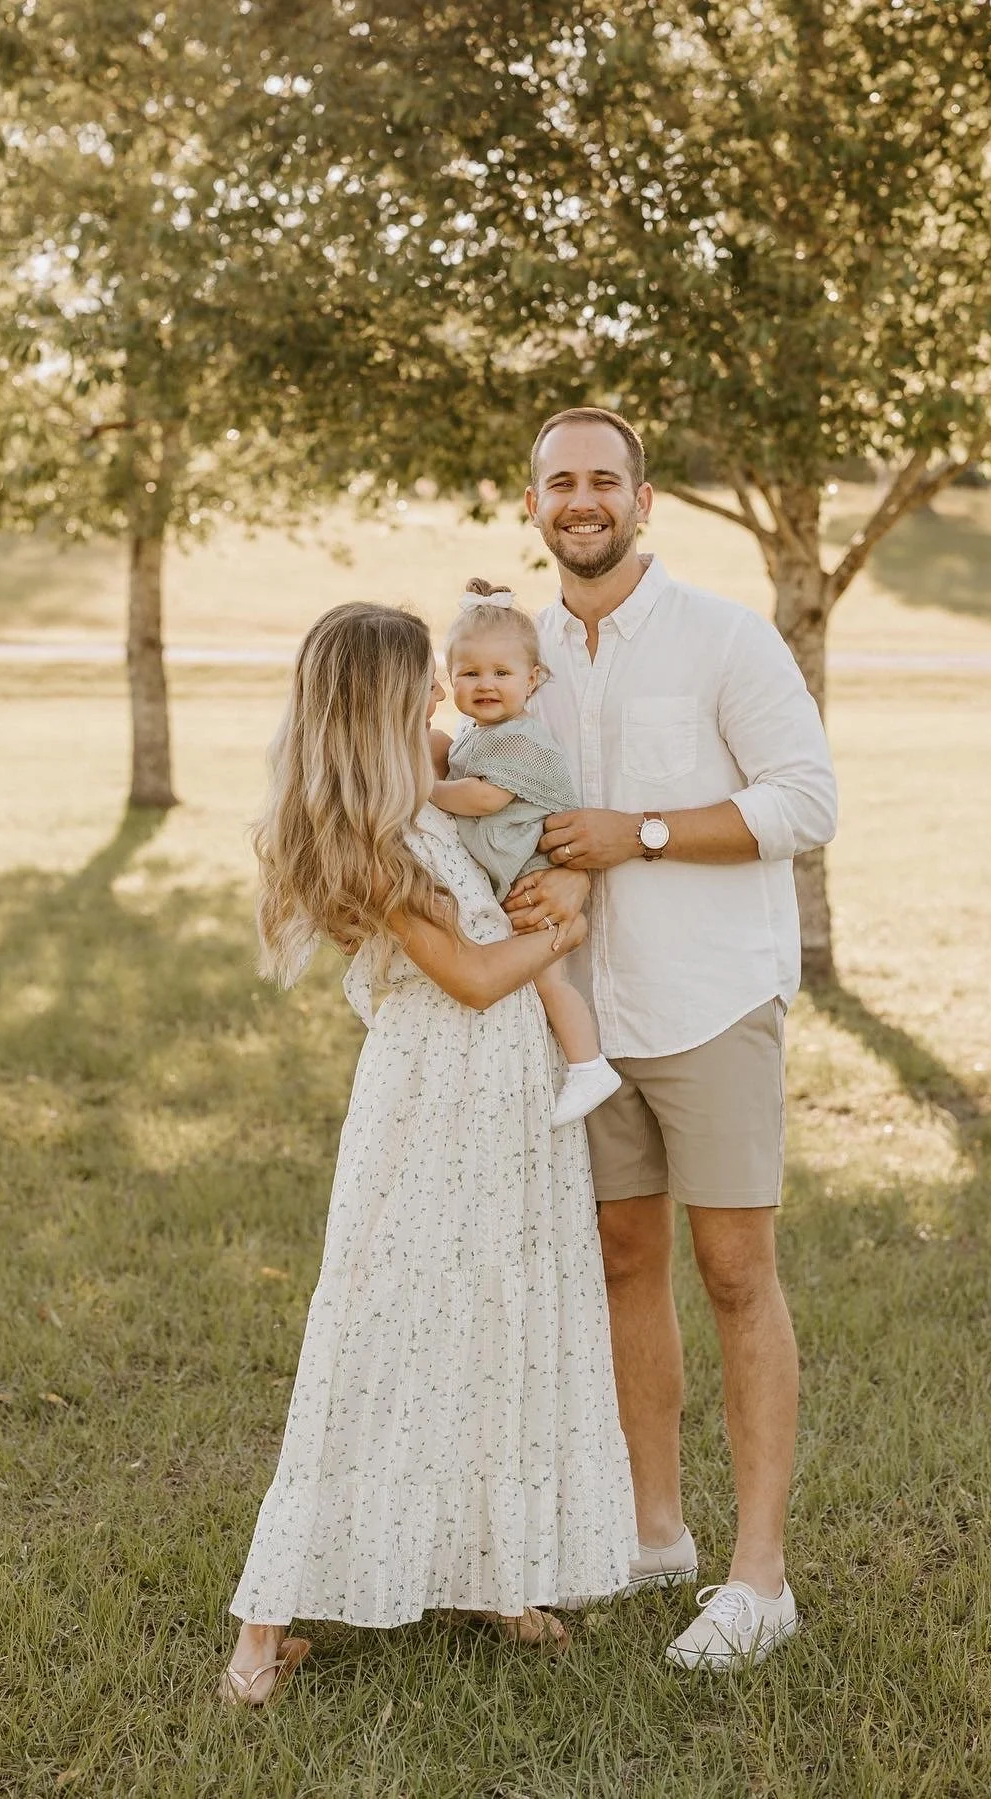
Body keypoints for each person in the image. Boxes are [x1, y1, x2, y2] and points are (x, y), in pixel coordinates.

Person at [219, 602, 636, 1706]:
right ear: (380, 702)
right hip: (430, 1101)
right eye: (421, 685)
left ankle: (495, 1571)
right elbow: (476, 977)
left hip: (507, 1095)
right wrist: (560, 934)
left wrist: (567, 880)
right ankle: (260, 1632)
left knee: (497, 1316)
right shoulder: (372, 837)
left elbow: (520, 813)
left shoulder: (432, 781)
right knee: (379, 1325)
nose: (440, 698)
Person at [503, 407, 838, 1671]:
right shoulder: (517, 651)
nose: (582, 500)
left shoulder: (724, 637)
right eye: (561, 483)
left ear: (643, 501)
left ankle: (761, 1579)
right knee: (620, 1257)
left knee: (736, 1268)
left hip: (709, 1001)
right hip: (579, 1014)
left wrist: (635, 833)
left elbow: (806, 800)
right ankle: (654, 1532)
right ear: (533, 504)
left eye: (605, 480)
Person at [431, 577, 622, 1129]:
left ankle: (588, 1067)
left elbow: (484, 798)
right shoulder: (476, 734)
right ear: (450, 679)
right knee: (533, 983)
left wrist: (426, 790)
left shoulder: (520, 738)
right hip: (513, 875)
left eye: (501, 673)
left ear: (532, 679)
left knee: (548, 980)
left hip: (537, 878)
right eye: (470, 674)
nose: (485, 684)